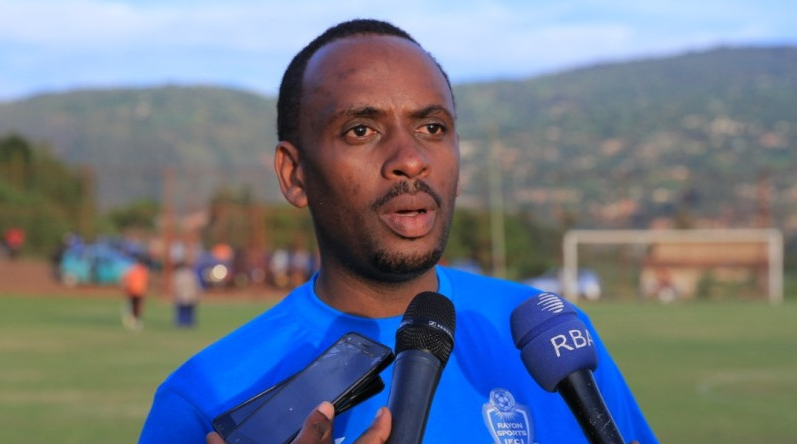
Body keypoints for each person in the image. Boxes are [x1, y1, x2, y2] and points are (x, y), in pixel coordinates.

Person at [139, 19, 658, 444]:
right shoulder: (207, 399)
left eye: (432, 129)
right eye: (360, 130)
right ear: (294, 175)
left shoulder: (552, 338)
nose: (411, 160)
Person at [122, 257, 150, 330]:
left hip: (139, 291)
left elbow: (145, 281)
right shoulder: (134, 270)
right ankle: (132, 319)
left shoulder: (143, 270)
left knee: (137, 307)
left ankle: (135, 320)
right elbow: (127, 279)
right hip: (133, 291)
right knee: (133, 306)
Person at [172, 261, 201, 328]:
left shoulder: (181, 274)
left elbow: (178, 285)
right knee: (184, 311)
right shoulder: (189, 274)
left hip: (186, 295)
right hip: (187, 295)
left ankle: (186, 323)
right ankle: (184, 323)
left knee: (186, 311)